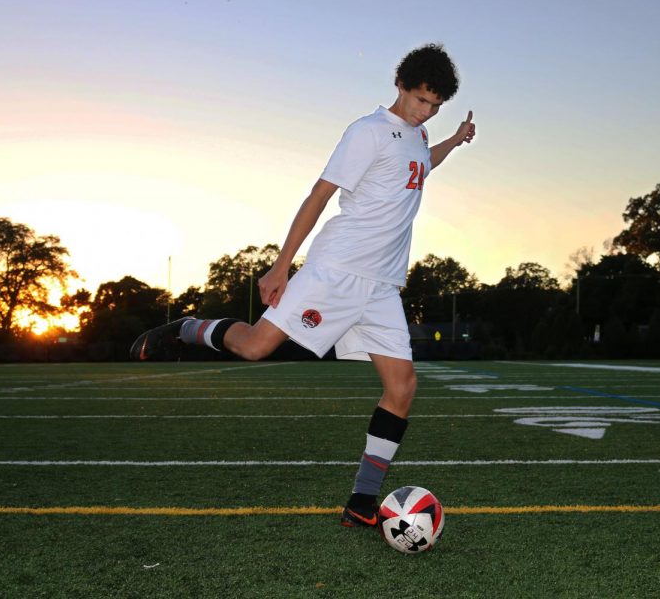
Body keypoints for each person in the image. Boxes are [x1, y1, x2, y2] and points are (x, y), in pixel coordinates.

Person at [130, 43, 475, 528]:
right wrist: (281, 265)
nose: (428, 112)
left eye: (437, 107)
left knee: (402, 386)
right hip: (335, 269)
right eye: (423, 101)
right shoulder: (368, 131)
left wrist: (455, 140)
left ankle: (361, 503)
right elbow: (320, 193)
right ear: (401, 85)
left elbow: (420, 165)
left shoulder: (418, 138)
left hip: (381, 286)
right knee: (254, 346)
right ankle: (188, 329)